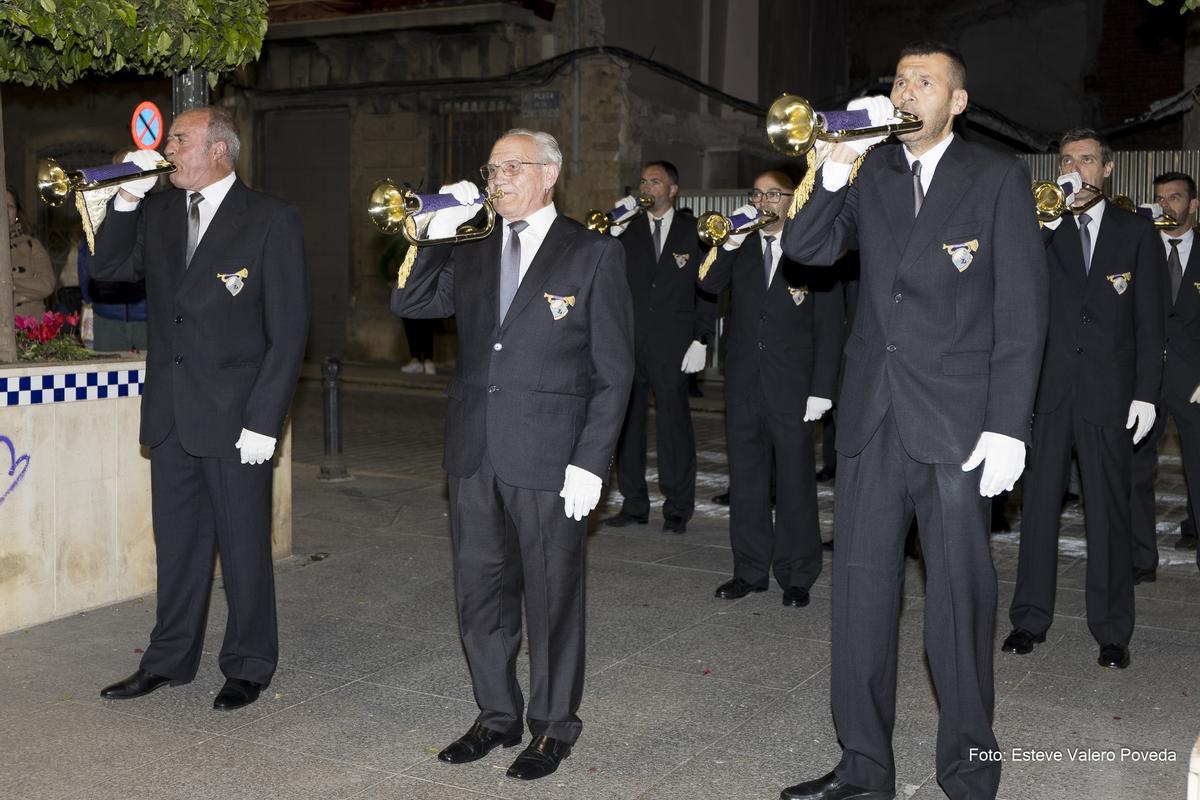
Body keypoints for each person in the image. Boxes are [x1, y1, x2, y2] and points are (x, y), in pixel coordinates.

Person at [780, 42, 1047, 800]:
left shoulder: (996, 177)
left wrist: (1008, 426)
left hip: (961, 424)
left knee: (959, 605)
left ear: (956, 101)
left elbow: (1022, 312)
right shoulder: (871, 172)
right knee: (861, 598)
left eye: (923, 81)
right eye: (899, 79)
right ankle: (864, 767)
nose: (906, 91)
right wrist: (830, 169)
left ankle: (970, 773)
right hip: (872, 417)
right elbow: (806, 249)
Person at [390, 129, 634, 781]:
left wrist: (592, 462)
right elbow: (410, 302)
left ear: (548, 174)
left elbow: (614, 373)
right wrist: (427, 233)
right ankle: (496, 715)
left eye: (512, 167)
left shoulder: (592, 254)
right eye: (492, 168)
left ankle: (553, 727)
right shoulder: (469, 247)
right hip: (474, 451)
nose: (497, 178)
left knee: (552, 598)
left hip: (553, 458)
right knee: (480, 593)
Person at [92, 107, 310, 712]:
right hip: (171, 414)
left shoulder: (270, 218)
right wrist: (127, 202)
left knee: (243, 546)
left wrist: (267, 419)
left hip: (238, 417)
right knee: (179, 545)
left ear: (218, 149)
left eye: (177, 141)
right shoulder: (159, 212)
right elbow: (107, 273)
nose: (167, 152)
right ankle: (167, 661)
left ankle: (248, 664)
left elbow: (289, 330)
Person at [1005, 130, 1164, 671]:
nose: (1076, 167)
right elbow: (1014, 302)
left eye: (1087, 159)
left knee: (1110, 517)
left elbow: (1151, 323)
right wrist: (1042, 227)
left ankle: (1113, 630)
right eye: (1068, 159)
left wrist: (1146, 393)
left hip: (1110, 396)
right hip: (1048, 395)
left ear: (1108, 168)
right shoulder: (1039, 226)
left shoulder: (1137, 233)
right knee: (1040, 510)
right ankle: (1028, 619)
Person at [698, 170, 842, 607]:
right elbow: (706, 284)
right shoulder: (738, 244)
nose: (764, 202)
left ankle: (798, 574)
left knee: (796, 481)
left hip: (794, 387)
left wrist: (822, 388)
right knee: (746, 481)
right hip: (744, 384)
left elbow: (830, 324)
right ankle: (750, 569)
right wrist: (729, 243)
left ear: (791, 199)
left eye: (773, 194)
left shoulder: (813, 244)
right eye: (757, 193)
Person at [602, 161, 715, 533]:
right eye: (643, 182)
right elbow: (599, 274)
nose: (647, 188)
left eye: (655, 181)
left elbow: (708, 287)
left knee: (674, 427)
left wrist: (701, 338)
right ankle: (634, 503)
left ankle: (678, 507)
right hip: (630, 343)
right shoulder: (625, 228)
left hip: (673, 345)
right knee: (628, 426)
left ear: (673, 189)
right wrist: (611, 230)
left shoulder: (692, 230)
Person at [1132, 171, 1200, 563]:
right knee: (1137, 469)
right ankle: (1140, 557)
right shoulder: (1139, 249)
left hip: (1193, 380)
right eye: (1160, 198)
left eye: (1175, 197)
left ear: (1193, 204)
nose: (1166, 205)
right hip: (1146, 379)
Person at [7, 186, 56, 319]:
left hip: (28, 333)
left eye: (10, 206)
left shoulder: (31, 245)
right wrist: (26, 291)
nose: (4, 210)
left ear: (17, 213)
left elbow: (47, 285)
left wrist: (10, 284)